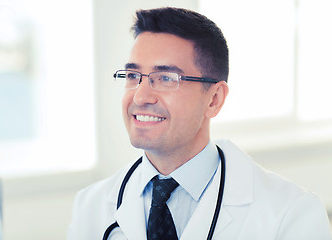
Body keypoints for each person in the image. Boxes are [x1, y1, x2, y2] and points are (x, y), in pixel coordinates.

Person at [67, 7, 332, 240]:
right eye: (134, 75)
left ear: (214, 99)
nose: (140, 96)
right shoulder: (90, 207)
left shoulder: (293, 214)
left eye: (166, 78)